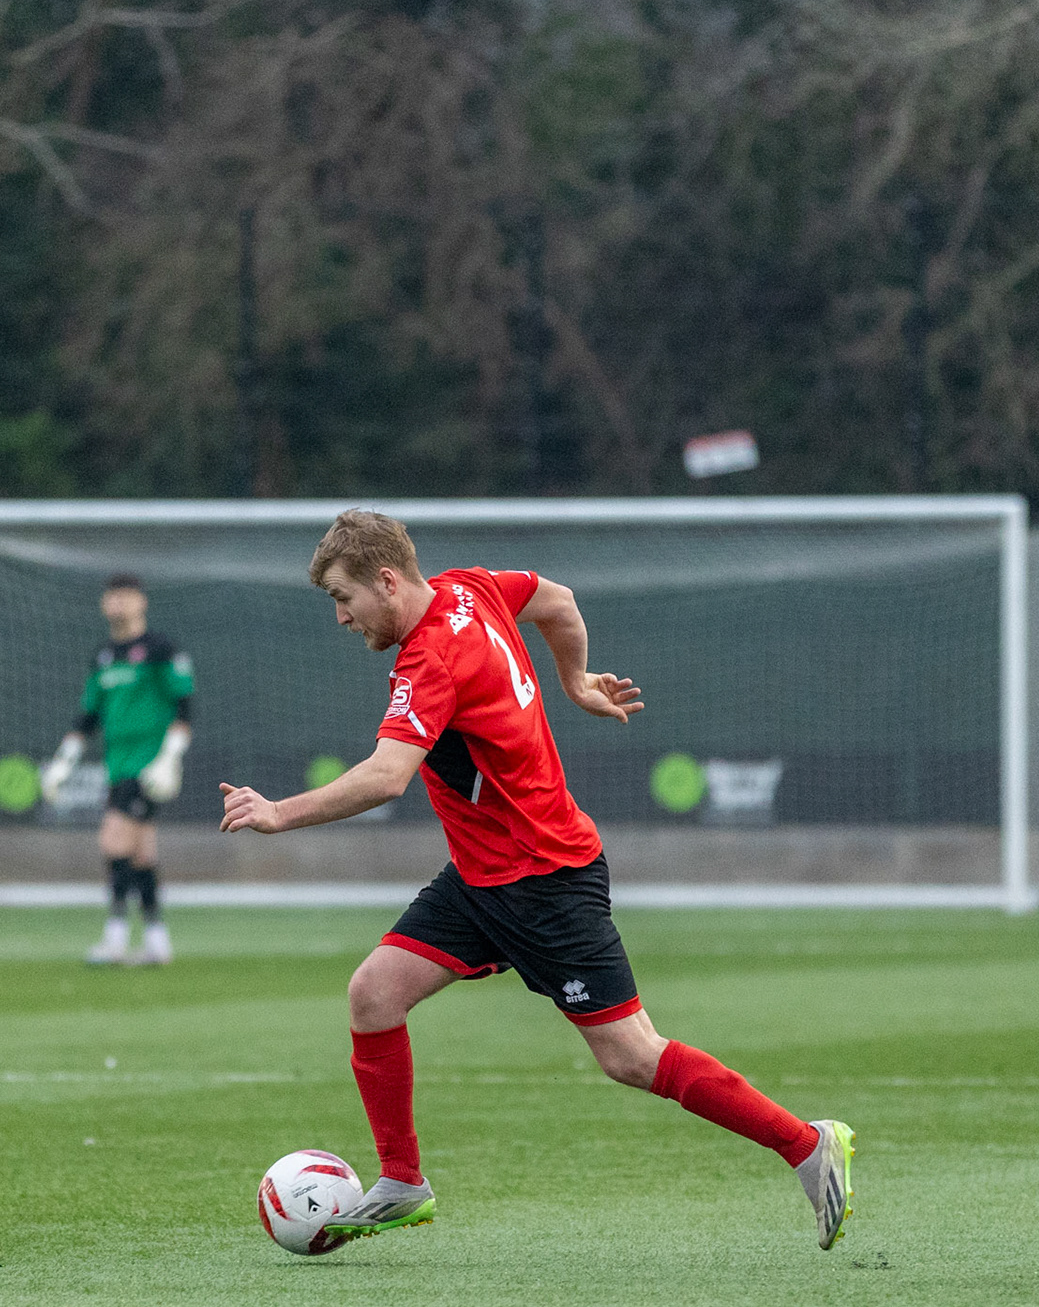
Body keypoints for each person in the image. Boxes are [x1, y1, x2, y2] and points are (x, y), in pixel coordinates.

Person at [218, 510, 855, 1250]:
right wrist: (574, 679)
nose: (340, 616)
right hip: (481, 877)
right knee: (374, 994)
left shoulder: (431, 659)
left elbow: (388, 777)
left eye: (343, 597)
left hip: (546, 881)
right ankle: (402, 1181)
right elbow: (558, 600)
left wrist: (279, 813)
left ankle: (807, 1145)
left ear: (386, 581)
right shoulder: (469, 588)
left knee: (632, 1056)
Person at [41, 573, 194, 966]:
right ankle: (157, 942)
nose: (117, 603)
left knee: (113, 841)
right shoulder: (104, 656)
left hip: (147, 767)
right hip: (117, 765)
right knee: (141, 853)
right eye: (111, 597)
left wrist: (169, 758)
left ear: (141, 601)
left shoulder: (160, 648)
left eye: (125, 596)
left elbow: (184, 707)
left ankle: (115, 939)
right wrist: (62, 763)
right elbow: (87, 716)